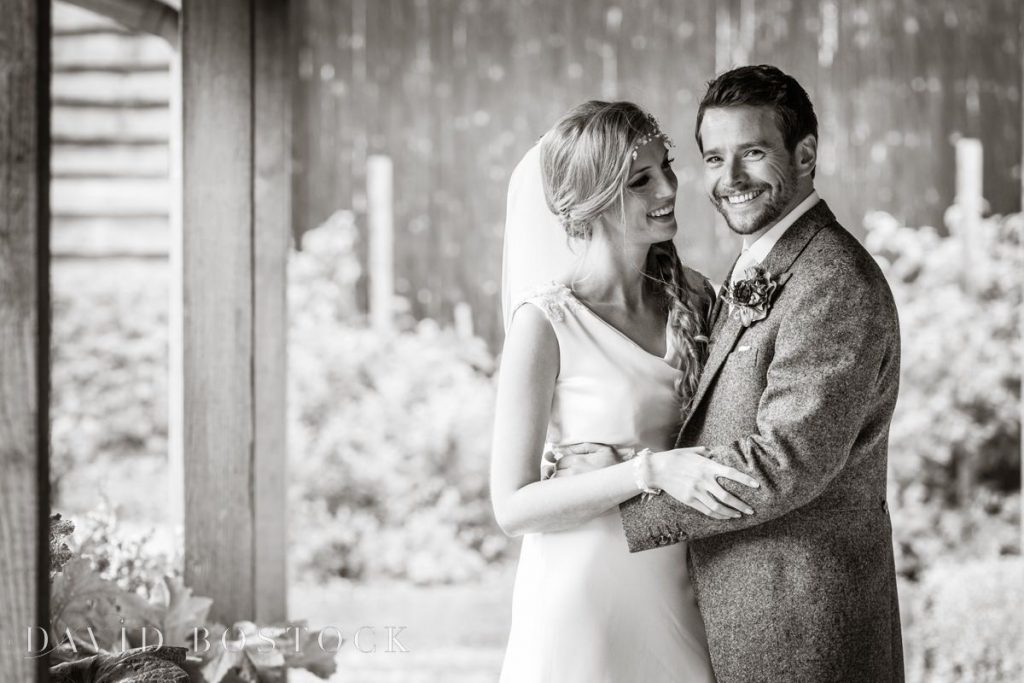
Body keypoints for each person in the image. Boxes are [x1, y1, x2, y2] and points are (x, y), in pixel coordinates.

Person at [562, 65, 905, 681]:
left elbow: (786, 461)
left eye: (752, 153)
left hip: (802, 624)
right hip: (735, 613)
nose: (730, 179)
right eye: (714, 158)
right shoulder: (761, 265)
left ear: (805, 154)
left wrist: (615, 495)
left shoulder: (831, 279)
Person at [490, 100, 761, 682]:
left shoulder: (699, 299)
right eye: (641, 180)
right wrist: (647, 471)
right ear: (591, 200)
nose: (668, 186)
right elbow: (512, 507)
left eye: (666, 166)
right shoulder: (546, 324)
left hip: (681, 579)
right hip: (583, 589)